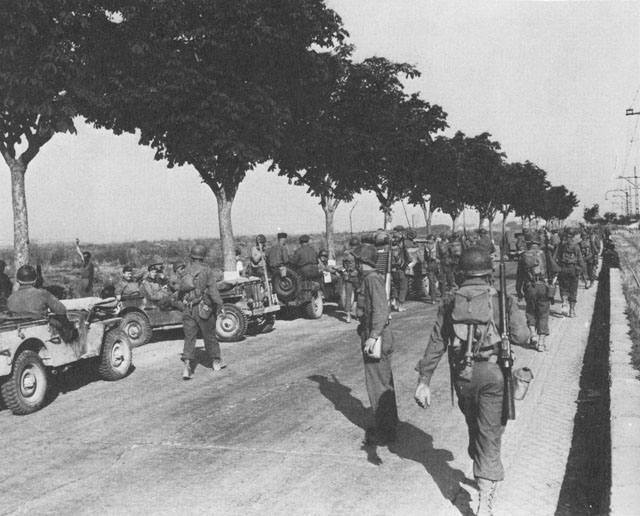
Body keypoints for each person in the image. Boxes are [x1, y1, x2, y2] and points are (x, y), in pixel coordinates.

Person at [414, 246, 528, 516]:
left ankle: (479, 461)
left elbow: (436, 344)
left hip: (462, 378)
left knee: (474, 426)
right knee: (490, 434)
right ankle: (485, 500)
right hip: (492, 375)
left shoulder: (450, 303)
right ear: (489, 272)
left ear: (460, 273)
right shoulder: (500, 299)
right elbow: (522, 336)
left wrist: (424, 380)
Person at [353, 243, 398, 446]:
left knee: (378, 386)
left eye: (356, 260)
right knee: (382, 383)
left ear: (363, 262)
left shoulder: (371, 280)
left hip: (377, 338)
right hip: (374, 334)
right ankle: (388, 426)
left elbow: (381, 311)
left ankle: (385, 433)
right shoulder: (370, 279)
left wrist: (372, 337)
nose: (354, 263)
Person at [179, 244, 225, 379]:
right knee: (209, 335)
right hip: (202, 308)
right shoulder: (207, 271)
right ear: (203, 257)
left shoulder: (184, 271)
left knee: (189, 338)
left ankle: (187, 366)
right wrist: (220, 305)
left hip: (188, 309)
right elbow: (213, 291)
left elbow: (179, 292)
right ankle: (216, 361)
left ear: (192, 257)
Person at [8, 264, 77, 341]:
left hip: (18, 331)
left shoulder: (11, 298)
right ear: (35, 280)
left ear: (17, 280)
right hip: (41, 329)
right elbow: (61, 310)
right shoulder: (42, 293)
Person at [516, 235, 559, 352]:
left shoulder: (523, 256)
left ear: (528, 243)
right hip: (543, 287)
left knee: (530, 311)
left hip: (529, 288)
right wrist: (552, 283)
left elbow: (519, 276)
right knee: (544, 314)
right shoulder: (545, 254)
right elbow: (556, 270)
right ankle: (541, 343)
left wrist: (518, 291)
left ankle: (533, 334)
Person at [554, 228, 585, 317]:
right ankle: (572, 311)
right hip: (573, 270)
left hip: (563, 269)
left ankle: (564, 304)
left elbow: (556, 258)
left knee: (563, 288)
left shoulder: (561, 245)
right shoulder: (576, 246)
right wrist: (581, 270)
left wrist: (558, 269)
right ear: (573, 236)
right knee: (573, 290)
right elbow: (580, 260)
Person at [341, 237, 361, 323]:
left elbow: (343, 266)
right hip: (356, 276)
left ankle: (348, 316)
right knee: (359, 294)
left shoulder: (346, 253)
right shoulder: (358, 252)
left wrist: (344, 272)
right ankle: (358, 314)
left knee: (348, 296)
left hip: (347, 276)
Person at [422, 234, 440, 304]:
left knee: (440, 280)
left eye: (430, 239)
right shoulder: (426, 246)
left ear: (433, 240)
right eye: (428, 239)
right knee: (431, 282)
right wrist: (425, 263)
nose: (429, 241)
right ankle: (433, 299)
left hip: (437, 263)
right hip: (430, 264)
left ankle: (442, 295)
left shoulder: (437, 245)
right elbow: (425, 256)